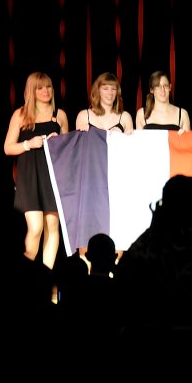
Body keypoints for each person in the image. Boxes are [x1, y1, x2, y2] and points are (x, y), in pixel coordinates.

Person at [4, 71, 69, 270]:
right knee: (35, 228)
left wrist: (57, 142)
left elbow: (68, 152)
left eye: (48, 86)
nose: (45, 91)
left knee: (52, 226)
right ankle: (27, 276)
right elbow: (8, 147)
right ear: (32, 90)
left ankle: (45, 280)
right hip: (30, 178)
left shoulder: (60, 115)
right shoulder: (21, 114)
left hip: (53, 176)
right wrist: (28, 144)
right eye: (40, 87)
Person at [75, 72, 133, 264]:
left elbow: (133, 150)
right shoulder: (85, 115)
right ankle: (88, 274)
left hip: (117, 179)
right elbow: (77, 151)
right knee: (88, 224)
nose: (110, 92)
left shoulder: (125, 118)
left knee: (118, 224)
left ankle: (113, 273)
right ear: (97, 91)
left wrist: (123, 138)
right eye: (105, 88)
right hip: (91, 180)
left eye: (113, 88)